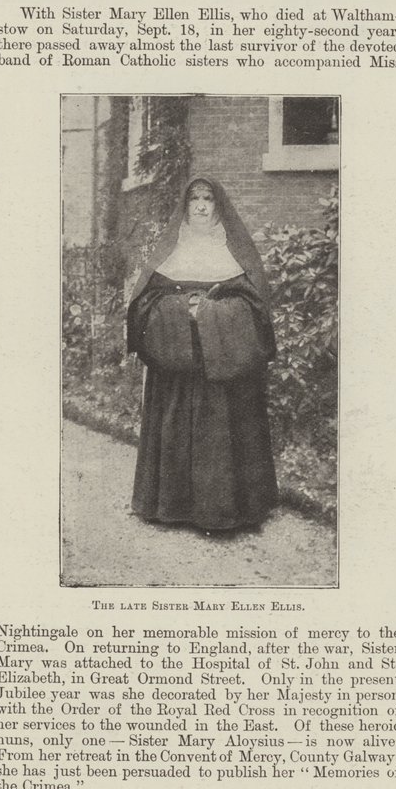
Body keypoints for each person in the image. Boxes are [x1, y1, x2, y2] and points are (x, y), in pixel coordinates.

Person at [127, 176, 278, 531]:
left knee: (224, 431)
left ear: (217, 206)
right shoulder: (171, 253)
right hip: (177, 367)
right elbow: (144, 305)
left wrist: (209, 313)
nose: (200, 206)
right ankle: (172, 506)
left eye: (207, 199)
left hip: (223, 367)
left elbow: (255, 308)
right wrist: (182, 310)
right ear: (185, 206)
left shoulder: (235, 254)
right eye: (194, 198)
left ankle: (228, 510)